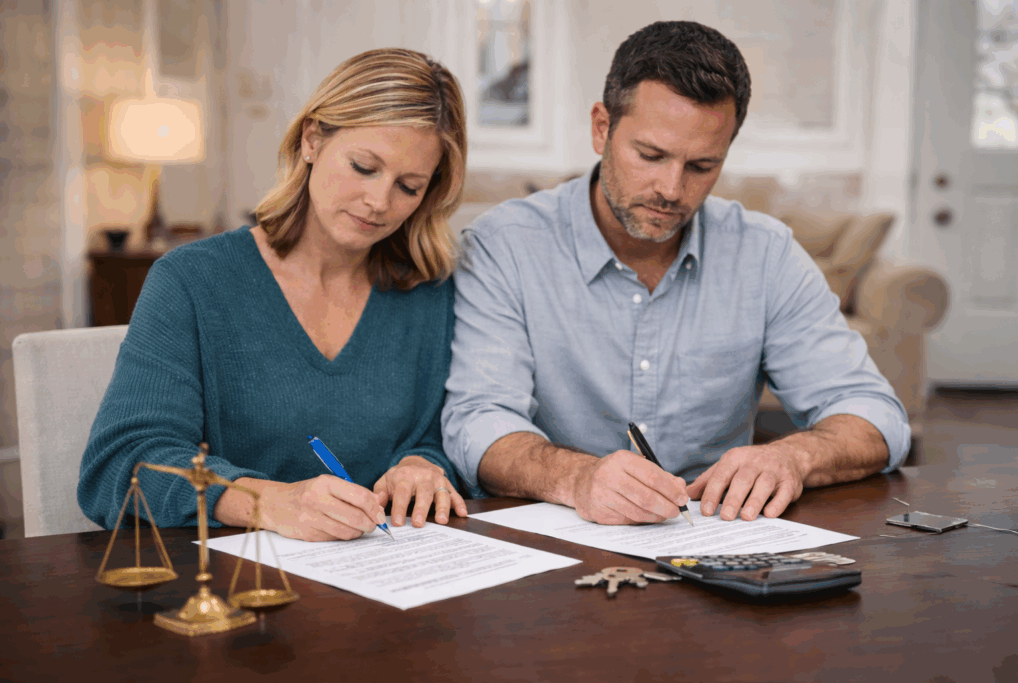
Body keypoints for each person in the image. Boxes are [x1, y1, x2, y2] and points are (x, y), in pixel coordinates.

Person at [442, 21, 910, 526]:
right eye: (650, 155)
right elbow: (477, 421)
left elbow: (874, 415)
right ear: (602, 128)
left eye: (702, 166)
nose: (671, 188)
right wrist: (577, 477)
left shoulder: (766, 254)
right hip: (554, 534)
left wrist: (791, 458)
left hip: (715, 542)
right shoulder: (504, 247)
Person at [79, 48, 470, 541]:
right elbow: (121, 466)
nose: (379, 202)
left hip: (396, 579)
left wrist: (424, 462)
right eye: (364, 167)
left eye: (409, 187)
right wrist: (266, 501)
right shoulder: (193, 281)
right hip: (240, 586)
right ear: (312, 139)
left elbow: (445, 434)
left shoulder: (430, 292)